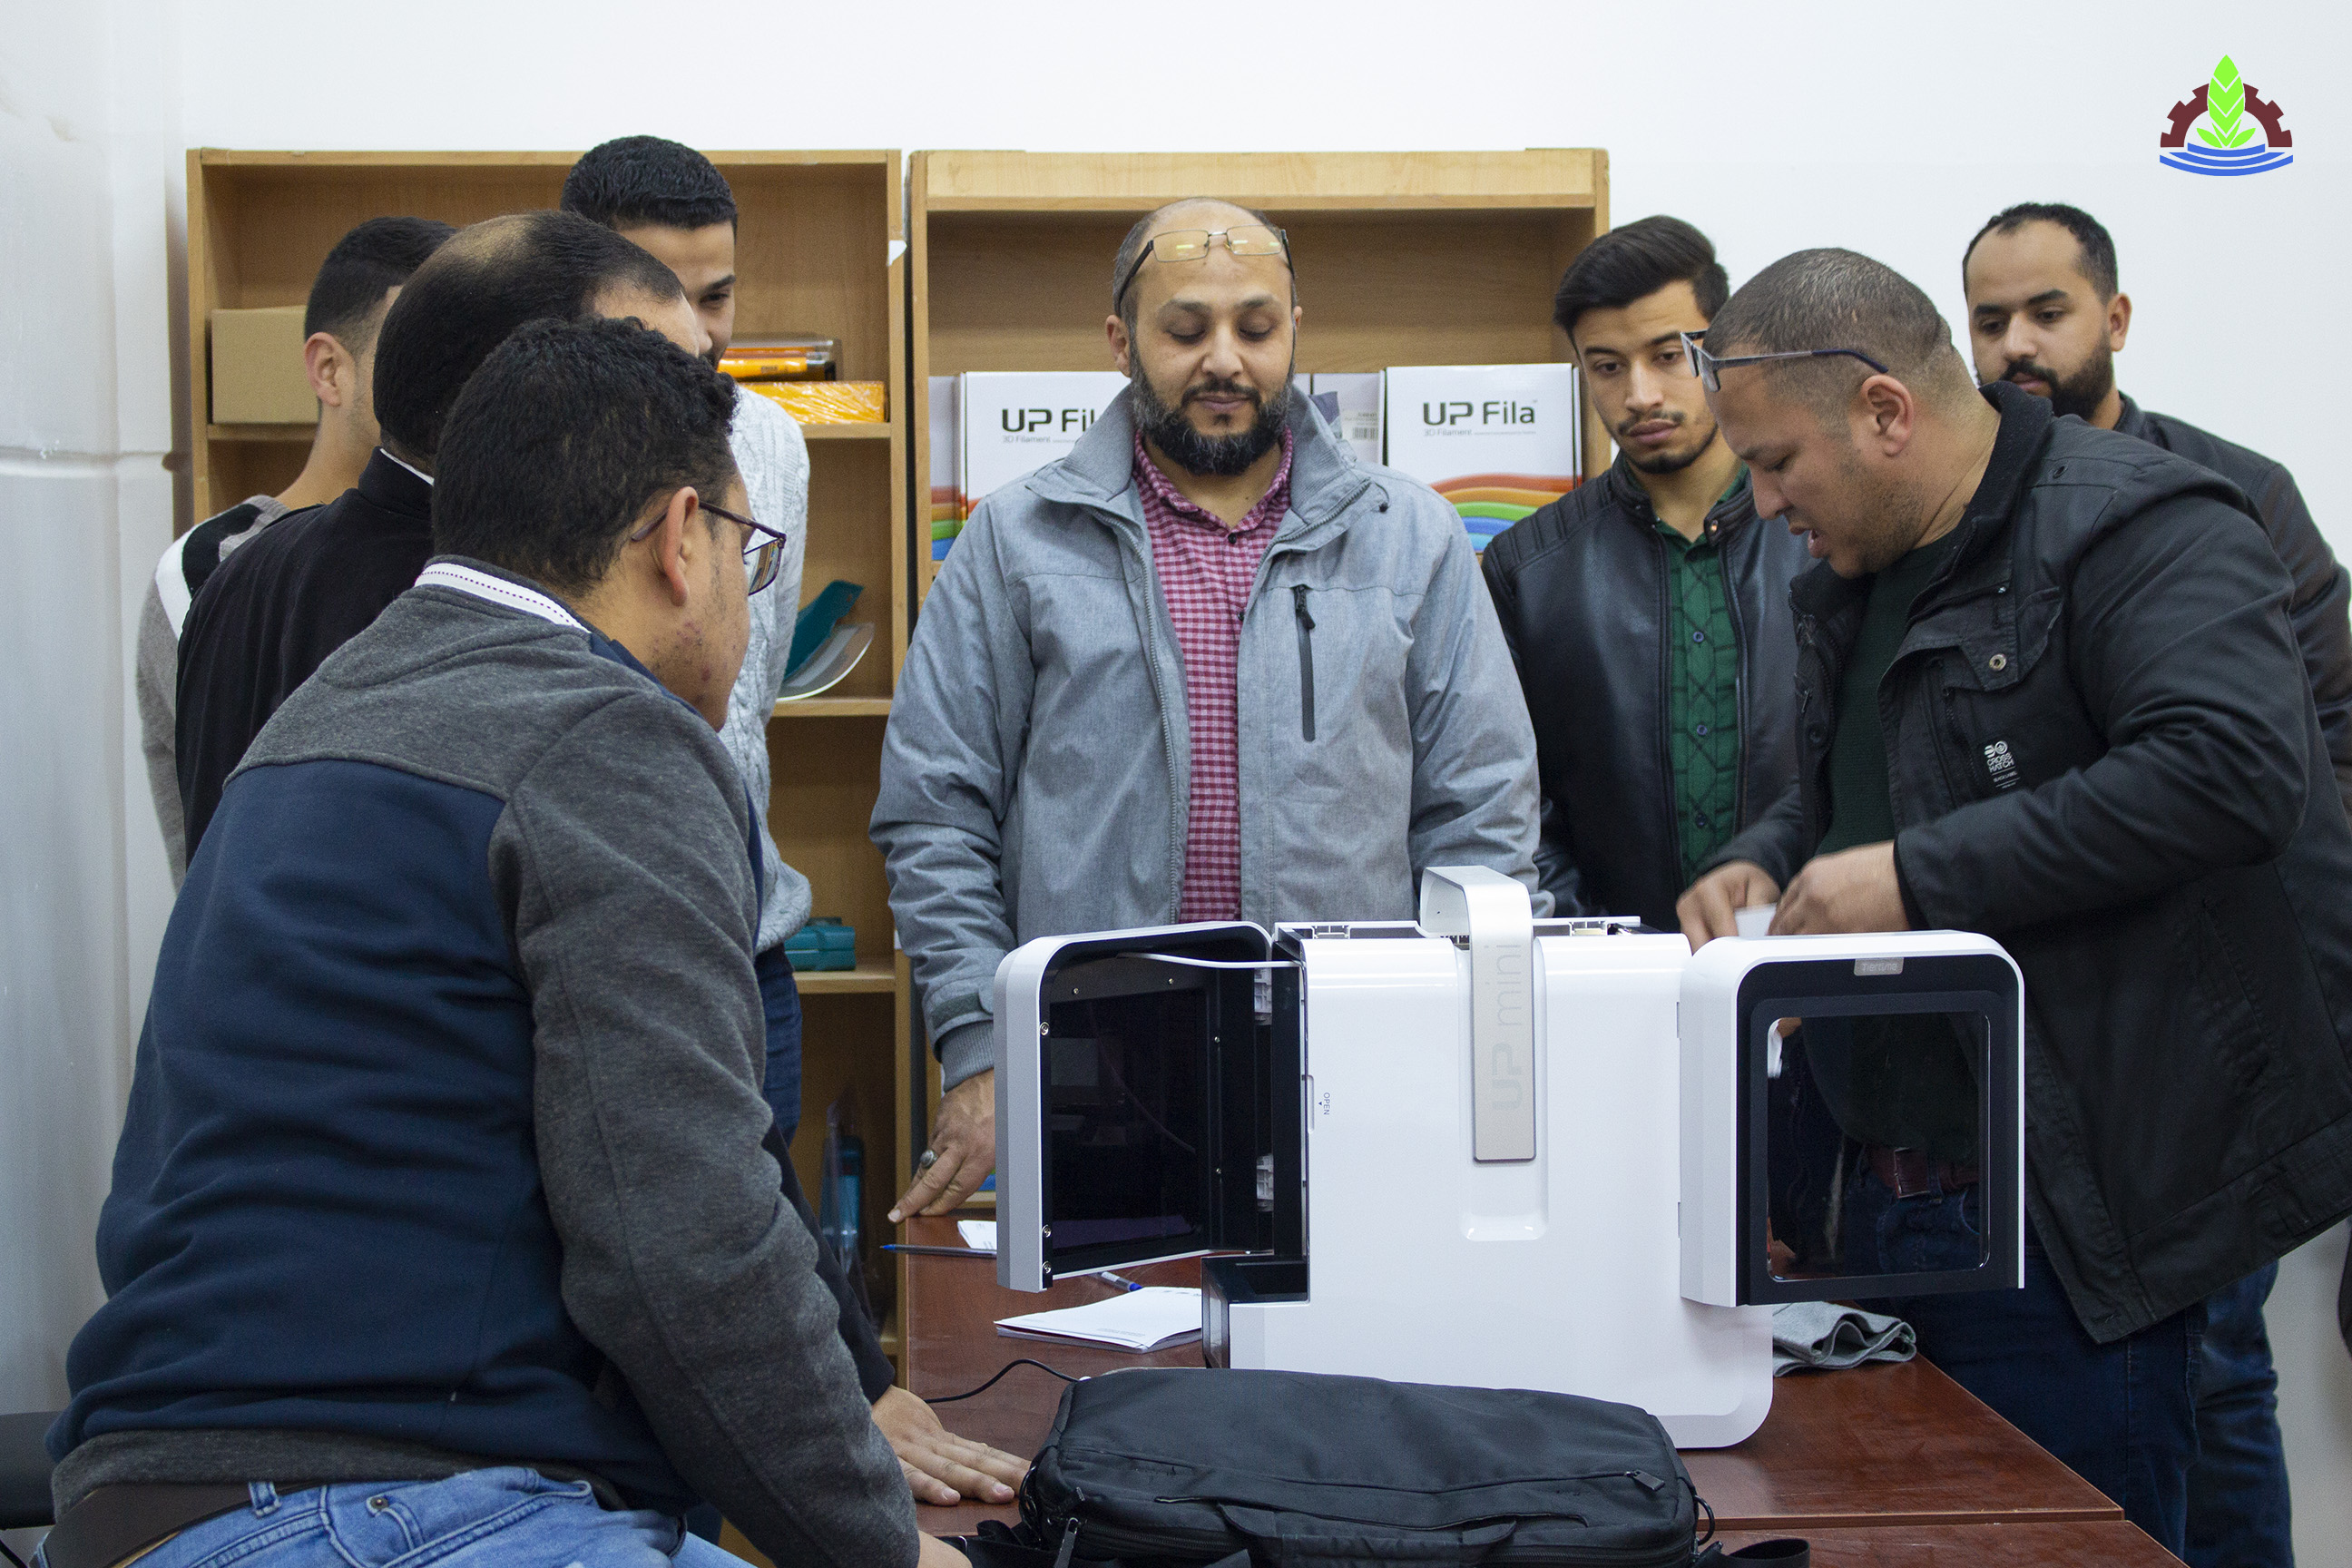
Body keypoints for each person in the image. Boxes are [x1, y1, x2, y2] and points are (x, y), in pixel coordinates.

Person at [49, 318, 967, 1568]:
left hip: (161, 1499)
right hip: (389, 1504)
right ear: (678, 538)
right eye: (749, 557)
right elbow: (684, 1245)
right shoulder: (604, 736)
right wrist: (885, 1545)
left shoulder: (323, 714)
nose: (749, 608)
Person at [1674, 248, 2352, 1555]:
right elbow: (1866, 793)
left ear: (1884, 412)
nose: (1760, 503)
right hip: (1887, 1206)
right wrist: (1767, 855)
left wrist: (1918, 879)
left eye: (1775, 463)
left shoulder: (2143, 524)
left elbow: (2233, 769)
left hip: (2075, 1218)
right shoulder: (1862, 569)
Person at [873, 196, 1546, 1220]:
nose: (1224, 360)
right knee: (1098, 1320)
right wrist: (979, 1043)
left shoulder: (1410, 535)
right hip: (1095, 1067)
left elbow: (1483, 814)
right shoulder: (1018, 539)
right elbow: (936, 813)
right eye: (1186, 330)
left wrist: (1458, 1034)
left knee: (1352, 1321)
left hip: (1352, 1066)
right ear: (1121, 342)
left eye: (1256, 328)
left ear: (1295, 333)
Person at [1963, 199, 2348, 1568]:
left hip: (2223, 1012)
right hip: (2056, 1022)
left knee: (2222, 1366)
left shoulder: (2230, 493)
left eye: (2046, 312)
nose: (2016, 345)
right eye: (1990, 320)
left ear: (2114, 319)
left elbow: (2325, 745)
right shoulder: (1969, 515)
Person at [172, 211, 705, 861]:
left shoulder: (245, 570)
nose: (699, 428)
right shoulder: (492, 604)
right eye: (659, 381)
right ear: (528, 384)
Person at [564, 135, 818, 1147]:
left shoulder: (772, 443)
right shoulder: (520, 449)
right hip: (595, 954)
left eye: (718, 297)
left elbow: (754, 683)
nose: (697, 335)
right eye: (661, 298)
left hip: (750, 951)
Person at [1483, 217, 1810, 930]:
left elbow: (1870, 759)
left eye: (1669, 356)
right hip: (1607, 971)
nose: (1640, 395)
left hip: (1808, 957)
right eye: (1607, 367)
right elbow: (1514, 805)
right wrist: (1601, 952)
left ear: (1722, 350)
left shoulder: (1823, 535)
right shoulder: (1527, 569)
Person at [136, 215, 453, 882]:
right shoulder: (216, 566)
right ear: (330, 370)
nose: (454, 384)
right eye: (417, 351)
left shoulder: (480, 549)